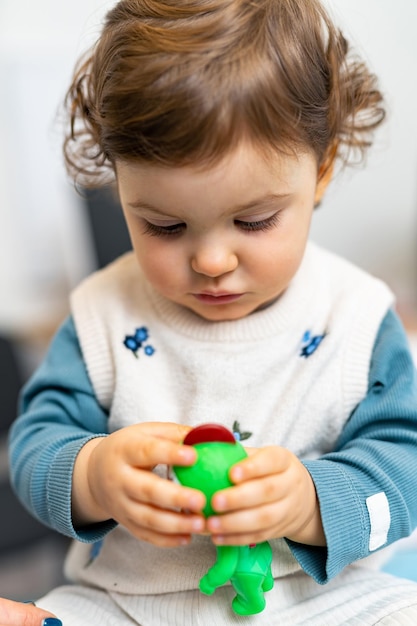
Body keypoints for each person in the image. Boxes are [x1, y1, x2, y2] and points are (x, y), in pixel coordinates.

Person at [8, 0, 417, 623]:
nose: (212, 261)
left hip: (326, 602)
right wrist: (92, 476)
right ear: (120, 186)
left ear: (322, 170)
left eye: (253, 221)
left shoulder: (355, 316)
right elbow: (35, 447)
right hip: (129, 603)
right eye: (165, 226)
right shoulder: (103, 314)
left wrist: (310, 501)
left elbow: (405, 468)